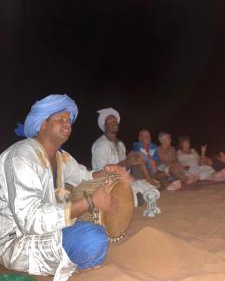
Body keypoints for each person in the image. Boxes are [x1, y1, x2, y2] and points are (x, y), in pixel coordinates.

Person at [0, 94, 129, 281]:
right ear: (43, 123)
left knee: (91, 236)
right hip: (14, 240)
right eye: (61, 119)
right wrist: (90, 202)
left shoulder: (61, 157)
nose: (68, 124)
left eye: (69, 120)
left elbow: (84, 175)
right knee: (91, 239)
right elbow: (30, 219)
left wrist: (110, 171)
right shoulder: (21, 157)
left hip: (46, 230)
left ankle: (78, 258)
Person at [91, 108, 161, 209]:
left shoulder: (120, 145)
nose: (114, 122)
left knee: (152, 190)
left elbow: (125, 168)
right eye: (110, 120)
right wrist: (125, 162)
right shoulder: (100, 145)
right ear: (104, 125)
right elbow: (100, 173)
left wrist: (131, 162)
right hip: (110, 184)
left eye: (115, 120)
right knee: (140, 198)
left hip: (125, 179)